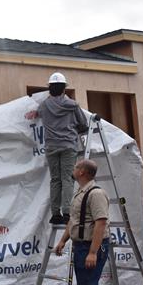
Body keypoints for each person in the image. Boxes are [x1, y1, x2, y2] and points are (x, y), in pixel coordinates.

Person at [26, 72, 88, 224]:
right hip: (68, 145)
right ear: (64, 89)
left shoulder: (44, 106)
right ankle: (67, 212)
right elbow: (84, 124)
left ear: (50, 89)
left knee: (55, 179)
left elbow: (36, 113)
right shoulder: (72, 105)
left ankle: (55, 214)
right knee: (67, 178)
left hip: (51, 146)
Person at [54, 159, 110, 285]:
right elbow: (74, 220)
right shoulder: (79, 193)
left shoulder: (96, 193)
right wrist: (62, 240)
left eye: (75, 167)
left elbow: (101, 223)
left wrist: (93, 252)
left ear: (81, 172)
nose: (73, 169)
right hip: (80, 246)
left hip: (91, 246)